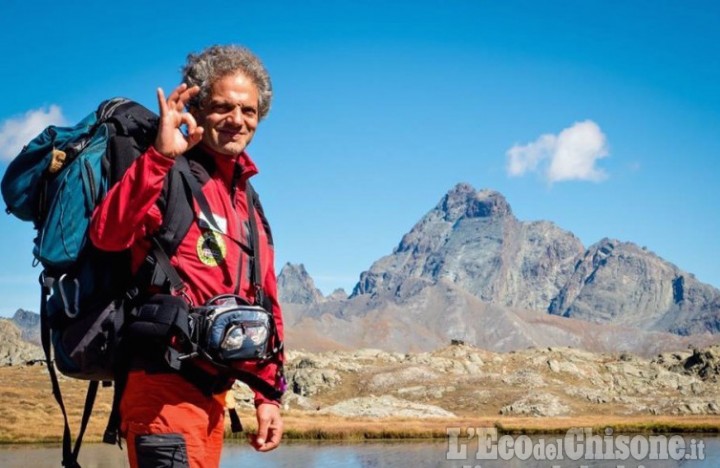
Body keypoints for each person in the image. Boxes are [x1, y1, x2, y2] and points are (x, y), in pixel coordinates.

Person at [89, 45, 285, 468]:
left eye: (248, 111)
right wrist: (159, 156)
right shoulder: (165, 172)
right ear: (197, 106)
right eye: (222, 107)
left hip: (214, 398)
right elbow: (107, 235)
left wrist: (268, 395)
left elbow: (265, 301)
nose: (237, 120)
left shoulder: (248, 202)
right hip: (162, 394)